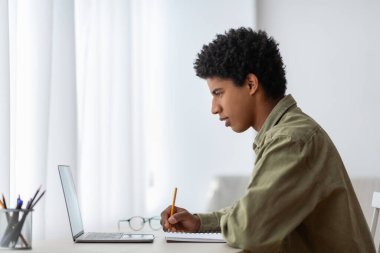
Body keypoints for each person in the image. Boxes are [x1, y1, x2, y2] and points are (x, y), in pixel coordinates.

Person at [160, 27, 375, 252]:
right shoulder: (285, 133)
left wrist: (223, 223)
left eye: (218, 93)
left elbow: (249, 229)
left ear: (251, 84)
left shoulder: (291, 140)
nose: (214, 108)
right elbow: (255, 212)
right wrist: (200, 223)